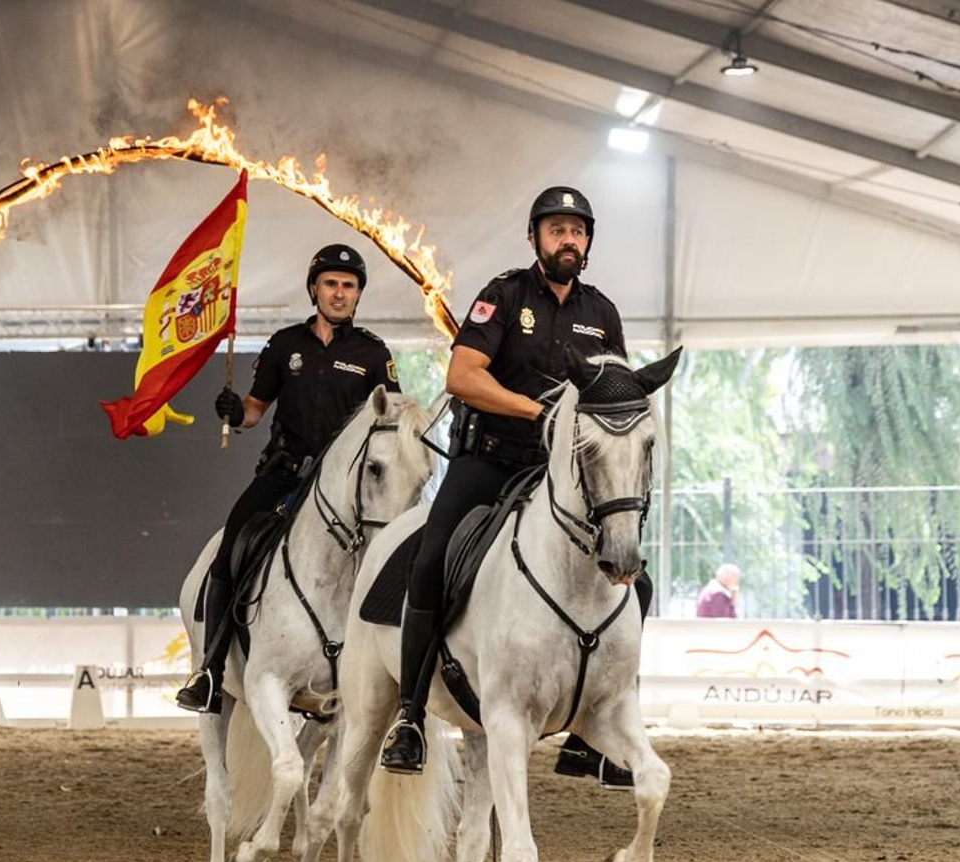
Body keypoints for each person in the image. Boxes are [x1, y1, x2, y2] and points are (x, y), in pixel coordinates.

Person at [379, 186, 651, 784]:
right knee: (430, 564)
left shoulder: (602, 313)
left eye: (577, 231)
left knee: (637, 579)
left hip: (567, 473)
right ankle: (409, 718)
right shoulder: (503, 296)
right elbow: (463, 376)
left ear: (588, 243)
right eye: (556, 230)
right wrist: (539, 413)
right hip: (493, 459)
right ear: (535, 239)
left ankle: (595, 733)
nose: (567, 239)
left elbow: (619, 392)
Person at [175, 244, 401, 712]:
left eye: (349, 286)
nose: (340, 294)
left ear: (358, 295)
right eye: (331, 284)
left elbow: (390, 418)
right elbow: (256, 411)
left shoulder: (374, 354)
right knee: (231, 547)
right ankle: (211, 671)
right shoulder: (285, 345)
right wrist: (235, 410)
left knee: (392, 560)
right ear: (314, 289)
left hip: (346, 491)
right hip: (285, 475)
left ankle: (397, 683)